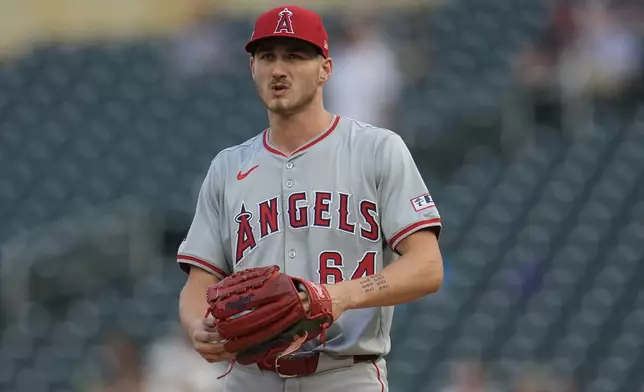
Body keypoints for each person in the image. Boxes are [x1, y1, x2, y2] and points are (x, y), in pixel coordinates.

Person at [177, 5, 444, 391]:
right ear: (253, 69)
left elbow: (427, 265)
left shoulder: (377, 149)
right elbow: (197, 284)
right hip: (249, 379)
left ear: (326, 69)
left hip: (345, 374)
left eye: (296, 56)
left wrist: (339, 296)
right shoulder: (227, 168)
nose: (279, 69)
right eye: (267, 56)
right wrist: (196, 326)